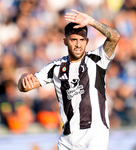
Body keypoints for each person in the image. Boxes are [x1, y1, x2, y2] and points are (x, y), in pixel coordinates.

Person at [18, 9, 120, 150]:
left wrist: (92, 22)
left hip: (95, 136)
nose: (78, 45)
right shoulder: (55, 67)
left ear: (87, 41)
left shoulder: (97, 60)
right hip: (68, 139)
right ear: (65, 41)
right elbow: (25, 87)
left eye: (81, 40)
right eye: (73, 40)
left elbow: (115, 37)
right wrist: (24, 77)